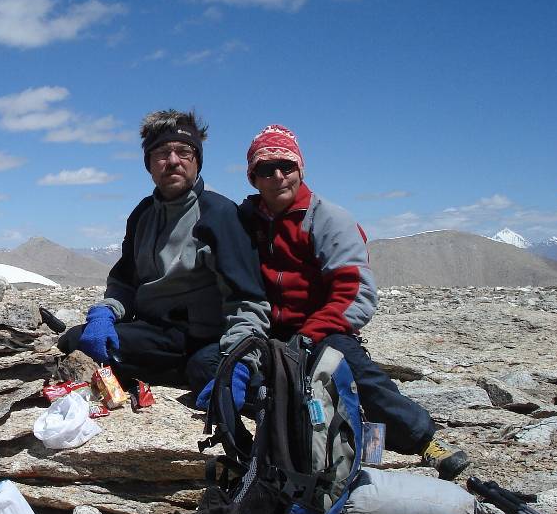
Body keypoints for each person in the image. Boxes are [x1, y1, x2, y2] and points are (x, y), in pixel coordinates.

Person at [235, 124, 469, 480]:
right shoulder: (246, 221)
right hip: (269, 330)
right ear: (254, 178)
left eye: (287, 166)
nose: (278, 176)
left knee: (354, 373)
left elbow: (355, 293)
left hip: (322, 328)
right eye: (266, 169)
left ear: (301, 170)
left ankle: (424, 440)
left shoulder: (328, 219)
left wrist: (311, 336)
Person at [59, 109, 269, 393]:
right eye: (161, 153)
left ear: (197, 161)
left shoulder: (220, 215)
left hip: (203, 337)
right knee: (75, 340)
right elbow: (125, 282)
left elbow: (247, 302)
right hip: (155, 335)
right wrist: (105, 313)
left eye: (184, 152)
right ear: (149, 163)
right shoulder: (143, 214)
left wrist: (241, 359)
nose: (172, 161)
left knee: (208, 369)